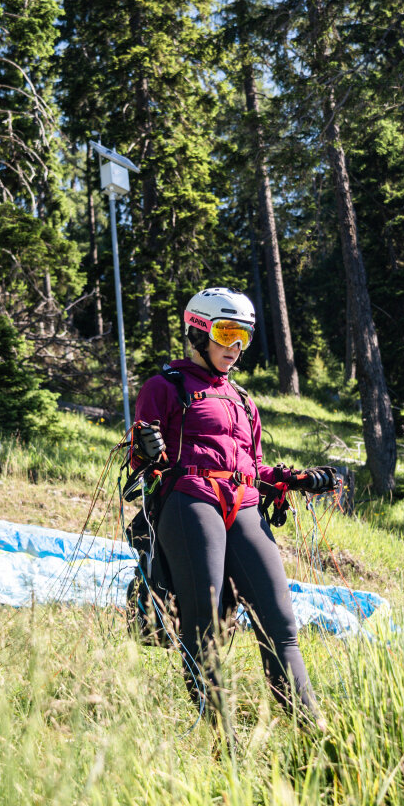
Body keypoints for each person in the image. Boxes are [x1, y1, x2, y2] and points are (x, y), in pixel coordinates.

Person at [129, 287, 338, 727]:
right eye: (226, 333)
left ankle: (315, 729)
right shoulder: (164, 386)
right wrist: (147, 451)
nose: (236, 347)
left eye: (243, 336)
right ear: (198, 331)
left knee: (281, 625)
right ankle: (225, 741)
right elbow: (144, 460)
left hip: (243, 505)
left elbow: (254, 466)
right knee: (203, 628)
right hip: (190, 500)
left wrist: (292, 480)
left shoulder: (244, 401)